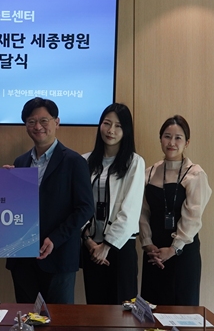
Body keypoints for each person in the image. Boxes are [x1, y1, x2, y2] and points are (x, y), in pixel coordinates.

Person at [5, 97, 94, 304]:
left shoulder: (74, 161)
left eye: (44, 121)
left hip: (58, 256)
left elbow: (85, 208)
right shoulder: (20, 162)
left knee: (59, 318)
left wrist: (55, 238)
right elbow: (16, 208)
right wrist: (4, 184)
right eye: (31, 122)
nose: (38, 127)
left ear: (57, 122)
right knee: (26, 316)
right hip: (23, 258)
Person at [139, 115, 211, 305]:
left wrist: (174, 248)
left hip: (183, 253)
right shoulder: (149, 172)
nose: (172, 143)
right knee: (151, 310)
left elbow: (193, 217)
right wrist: (147, 244)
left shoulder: (195, 174)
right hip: (154, 253)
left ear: (187, 142)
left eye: (178, 138)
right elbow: (142, 212)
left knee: (182, 311)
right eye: (167, 136)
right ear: (160, 139)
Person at [81, 103, 145, 304]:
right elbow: (79, 204)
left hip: (120, 247)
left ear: (126, 131)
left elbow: (130, 210)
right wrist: (88, 240)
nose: (111, 130)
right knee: (95, 307)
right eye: (107, 123)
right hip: (91, 247)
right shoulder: (84, 161)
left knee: (122, 311)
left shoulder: (134, 162)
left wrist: (106, 246)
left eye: (118, 126)